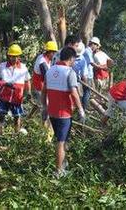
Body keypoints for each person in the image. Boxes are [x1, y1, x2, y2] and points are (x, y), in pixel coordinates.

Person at [42, 47, 85, 178]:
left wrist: (44, 107)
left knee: (62, 139)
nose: (74, 62)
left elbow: (44, 91)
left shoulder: (50, 70)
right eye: (74, 60)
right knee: (61, 141)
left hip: (52, 112)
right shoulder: (69, 72)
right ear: (71, 58)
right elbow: (74, 92)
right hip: (64, 113)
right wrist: (81, 109)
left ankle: (63, 164)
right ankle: (59, 171)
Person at [0, 44, 31, 134]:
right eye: (12, 56)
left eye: (16, 56)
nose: (14, 58)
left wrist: (28, 93)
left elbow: (27, 81)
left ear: (19, 56)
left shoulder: (23, 68)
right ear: (9, 56)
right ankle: (1, 127)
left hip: (17, 96)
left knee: (17, 116)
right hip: (4, 95)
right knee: (0, 112)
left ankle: (16, 133)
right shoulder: (2, 66)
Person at [32, 41, 58, 126]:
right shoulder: (42, 62)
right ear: (49, 52)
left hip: (41, 87)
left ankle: (29, 119)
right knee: (45, 108)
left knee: (40, 106)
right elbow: (48, 78)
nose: (54, 55)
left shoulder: (45, 58)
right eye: (53, 52)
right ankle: (44, 127)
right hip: (40, 88)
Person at [82, 40, 95, 111]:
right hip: (87, 75)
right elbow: (92, 63)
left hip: (89, 75)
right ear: (93, 44)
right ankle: (84, 108)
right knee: (87, 92)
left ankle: (85, 106)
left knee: (88, 92)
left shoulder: (89, 52)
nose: (96, 48)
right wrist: (101, 67)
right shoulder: (87, 51)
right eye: (96, 46)